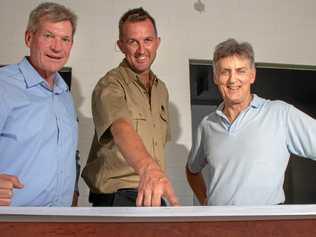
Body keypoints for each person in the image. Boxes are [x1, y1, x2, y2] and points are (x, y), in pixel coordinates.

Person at [186, 38, 316, 206]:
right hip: (219, 227)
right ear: (216, 78)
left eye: (240, 71)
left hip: (267, 227)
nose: (233, 80)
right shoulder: (207, 125)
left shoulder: (280, 114)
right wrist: (205, 201)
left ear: (252, 75)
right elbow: (192, 170)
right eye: (225, 72)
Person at [82, 7, 179, 207]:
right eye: (132, 41)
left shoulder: (161, 90)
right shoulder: (110, 84)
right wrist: (148, 168)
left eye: (147, 40)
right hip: (118, 198)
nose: (141, 50)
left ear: (157, 42)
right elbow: (121, 128)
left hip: (152, 195)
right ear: (121, 45)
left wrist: (154, 177)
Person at [0, 2, 78, 206]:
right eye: (48, 36)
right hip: (11, 224)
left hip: (58, 223)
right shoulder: (3, 86)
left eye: (65, 39)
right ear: (29, 38)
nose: (57, 47)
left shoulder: (65, 94)